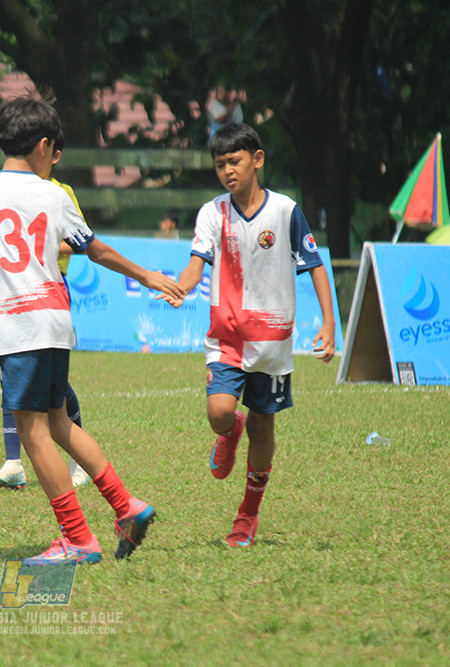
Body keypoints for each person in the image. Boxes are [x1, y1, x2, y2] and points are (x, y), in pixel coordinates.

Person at [0, 95, 185, 564]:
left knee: (32, 432)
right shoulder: (55, 193)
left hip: (18, 325)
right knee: (59, 422)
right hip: (56, 320)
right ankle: (127, 505)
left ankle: (77, 539)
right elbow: (94, 249)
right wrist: (149, 275)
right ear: (42, 145)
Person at [171, 122, 336, 547]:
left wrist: (330, 323)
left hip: (272, 346)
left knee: (265, 429)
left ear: (257, 160)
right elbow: (196, 263)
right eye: (220, 164)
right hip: (225, 338)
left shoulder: (285, 211)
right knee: (219, 412)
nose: (227, 171)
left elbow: (315, 266)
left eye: (235, 161)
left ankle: (247, 515)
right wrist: (181, 286)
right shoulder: (212, 213)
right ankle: (230, 431)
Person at [0, 133, 91, 491]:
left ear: (52, 154)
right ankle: (13, 461)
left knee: (55, 392)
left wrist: (40, 241)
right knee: (9, 380)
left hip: (47, 289)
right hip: (13, 296)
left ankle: (80, 460)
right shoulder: (6, 190)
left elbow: (78, 240)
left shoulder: (58, 192)